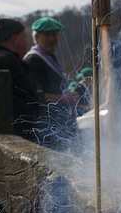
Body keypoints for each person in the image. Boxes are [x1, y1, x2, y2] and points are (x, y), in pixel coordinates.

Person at [0, 18, 44, 142]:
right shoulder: (4, 60)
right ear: (14, 38)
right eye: (24, 37)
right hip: (19, 136)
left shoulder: (3, 58)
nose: (27, 41)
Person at [24, 17, 82, 150]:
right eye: (47, 35)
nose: (51, 39)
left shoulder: (50, 58)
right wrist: (65, 99)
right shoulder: (34, 60)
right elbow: (36, 96)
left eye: (54, 34)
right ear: (37, 37)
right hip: (46, 130)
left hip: (58, 127)